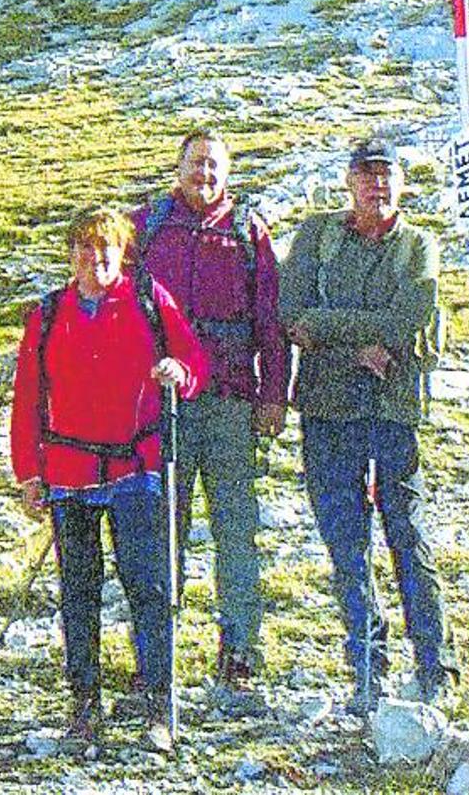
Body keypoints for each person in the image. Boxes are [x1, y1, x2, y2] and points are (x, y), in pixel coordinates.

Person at [10, 208, 207, 754]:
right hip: (69, 474)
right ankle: (84, 702)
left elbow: (192, 358)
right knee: (78, 593)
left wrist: (179, 374)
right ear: (71, 254)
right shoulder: (48, 314)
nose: (97, 259)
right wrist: (29, 472)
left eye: (108, 249)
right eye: (86, 249)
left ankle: (156, 703)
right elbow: (28, 397)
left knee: (148, 587)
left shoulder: (148, 299)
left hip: (134, 468)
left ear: (122, 253)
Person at [279, 138, 458, 714]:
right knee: (346, 544)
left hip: (393, 410)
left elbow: (410, 317)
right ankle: (367, 668)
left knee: (409, 535)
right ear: (348, 181)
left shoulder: (418, 245)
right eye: (366, 176)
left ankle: (436, 667)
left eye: (386, 177)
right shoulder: (316, 237)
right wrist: (366, 339)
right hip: (329, 410)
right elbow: (290, 315)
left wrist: (332, 330)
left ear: (400, 184)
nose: (376, 187)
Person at [130, 129, 288, 691]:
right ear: (178, 168)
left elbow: (270, 321)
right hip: (161, 404)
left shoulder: (248, 233)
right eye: (196, 164)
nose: (205, 175)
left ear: (229, 173)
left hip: (229, 405)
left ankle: (240, 652)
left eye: (215, 166)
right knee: (160, 533)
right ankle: (157, 658)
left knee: (235, 531)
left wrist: (274, 394)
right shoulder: (145, 228)